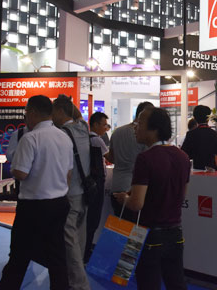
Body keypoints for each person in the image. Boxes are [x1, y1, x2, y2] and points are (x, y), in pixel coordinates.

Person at [0, 95, 73, 290]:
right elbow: (69, 173)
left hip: (33, 206)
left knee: (19, 256)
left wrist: (14, 169)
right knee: (57, 257)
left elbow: (21, 173)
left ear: (33, 112)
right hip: (59, 202)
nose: (26, 116)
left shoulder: (30, 138)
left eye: (26, 112)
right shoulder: (64, 137)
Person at [113, 106, 190, 290]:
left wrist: (123, 198)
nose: (135, 127)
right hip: (175, 233)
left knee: (148, 283)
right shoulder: (183, 157)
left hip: (149, 234)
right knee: (176, 282)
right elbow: (181, 196)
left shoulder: (145, 158)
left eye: (140, 123)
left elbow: (136, 204)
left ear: (153, 128)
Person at [52, 94, 91, 290]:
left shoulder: (61, 134)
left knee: (70, 241)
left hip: (70, 192)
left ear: (60, 111)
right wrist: (68, 103)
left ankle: (79, 284)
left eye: (53, 112)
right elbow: (78, 115)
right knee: (79, 237)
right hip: (85, 191)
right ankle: (75, 275)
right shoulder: (83, 127)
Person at [108, 101, 152, 222]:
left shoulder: (117, 132)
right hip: (134, 189)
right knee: (135, 228)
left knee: (120, 227)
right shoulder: (143, 136)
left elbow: (111, 157)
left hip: (116, 186)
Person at [84, 111, 110, 263]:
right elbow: (110, 157)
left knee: (87, 219)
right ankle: (86, 252)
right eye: (104, 125)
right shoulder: (97, 140)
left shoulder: (84, 139)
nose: (106, 128)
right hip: (97, 184)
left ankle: (85, 249)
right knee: (93, 219)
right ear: (95, 124)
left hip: (87, 183)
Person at [181, 105, 217, 170]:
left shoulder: (191, 134)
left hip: (196, 169)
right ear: (208, 118)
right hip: (212, 170)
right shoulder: (215, 134)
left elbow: (184, 153)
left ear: (195, 118)